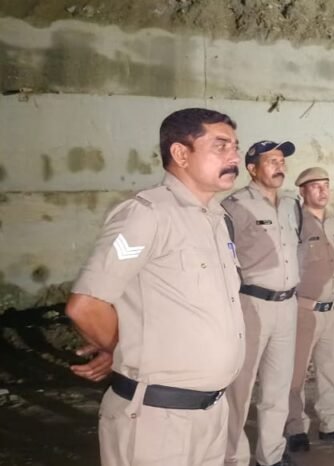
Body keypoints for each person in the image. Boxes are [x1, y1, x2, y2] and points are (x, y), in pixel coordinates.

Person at [65, 107, 246, 466]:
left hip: (210, 414)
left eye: (235, 147)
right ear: (181, 153)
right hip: (158, 419)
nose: (235, 157)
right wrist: (122, 349)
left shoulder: (218, 219)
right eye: (221, 146)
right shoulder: (147, 215)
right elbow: (85, 304)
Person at [222, 140, 301, 466]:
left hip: (288, 305)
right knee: (239, 388)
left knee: (277, 387)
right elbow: (224, 259)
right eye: (272, 161)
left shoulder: (291, 204)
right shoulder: (235, 206)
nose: (280, 166)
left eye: (282, 161)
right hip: (251, 305)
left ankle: (270, 456)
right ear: (252, 169)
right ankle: (234, 458)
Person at [284, 167, 334, 453]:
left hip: (332, 311)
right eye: (315, 186)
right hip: (304, 309)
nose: (322, 191)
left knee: (330, 369)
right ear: (302, 191)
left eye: (326, 185)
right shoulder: (295, 223)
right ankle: (295, 427)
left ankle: (330, 423)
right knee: (295, 373)